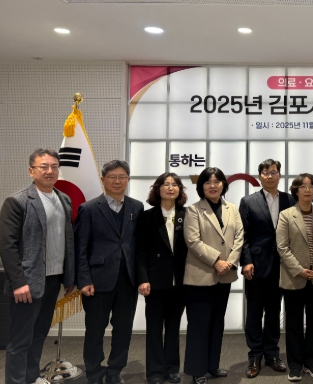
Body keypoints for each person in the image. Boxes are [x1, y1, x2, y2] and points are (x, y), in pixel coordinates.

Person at [0, 149, 75, 384]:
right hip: (27, 283)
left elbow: (67, 240)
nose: (49, 170)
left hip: (54, 280)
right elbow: (7, 246)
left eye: (54, 166)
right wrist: (18, 282)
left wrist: (69, 276)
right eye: (43, 166)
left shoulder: (64, 200)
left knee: (39, 334)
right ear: (31, 171)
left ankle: (31, 378)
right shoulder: (17, 201)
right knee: (20, 340)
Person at [75, 160, 145, 384]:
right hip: (97, 281)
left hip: (128, 280)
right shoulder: (88, 209)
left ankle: (115, 370)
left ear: (128, 180)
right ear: (103, 180)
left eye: (122, 177)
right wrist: (84, 279)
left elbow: (139, 246)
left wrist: (142, 278)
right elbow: (80, 249)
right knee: (95, 330)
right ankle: (94, 372)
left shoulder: (137, 207)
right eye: (112, 177)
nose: (117, 181)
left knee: (123, 329)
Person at [183, 167, 244, 384]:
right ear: (201, 186)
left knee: (217, 322)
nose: (212, 185)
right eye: (207, 182)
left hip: (224, 275)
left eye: (217, 181)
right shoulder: (193, 210)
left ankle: (212, 365)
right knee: (199, 324)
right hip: (200, 276)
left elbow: (239, 236)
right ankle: (196, 370)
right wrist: (217, 261)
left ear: (223, 185)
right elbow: (193, 241)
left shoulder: (232, 208)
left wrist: (230, 262)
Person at [239, 159, 295, 378]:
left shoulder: (290, 200)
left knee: (274, 312)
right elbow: (242, 235)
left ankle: (272, 354)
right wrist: (246, 261)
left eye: (273, 172)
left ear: (280, 175)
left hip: (282, 265)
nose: (270, 176)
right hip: (256, 265)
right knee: (254, 312)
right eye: (265, 172)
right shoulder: (248, 201)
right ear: (259, 176)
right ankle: (254, 355)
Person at [277, 173, 313, 382]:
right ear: (296, 190)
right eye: (303, 186)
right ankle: (295, 365)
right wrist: (299, 269)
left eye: (311, 186)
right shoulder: (286, 215)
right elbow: (282, 247)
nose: (307, 189)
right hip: (294, 277)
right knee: (293, 323)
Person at [135, 172, 189, 384]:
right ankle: (155, 372)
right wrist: (143, 278)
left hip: (181, 281)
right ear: (157, 189)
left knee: (174, 327)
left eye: (175, 184)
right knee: (155, 329)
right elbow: (140, 251)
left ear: (180, 190)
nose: (170, 188)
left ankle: (172, 368)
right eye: (166, 184)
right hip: (155, 281)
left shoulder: (188, 214)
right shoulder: (147, 216)